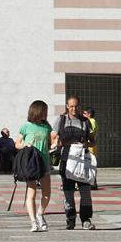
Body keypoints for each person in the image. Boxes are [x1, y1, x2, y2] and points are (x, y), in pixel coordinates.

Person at [52, 95, 96, 230]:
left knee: (85, 192)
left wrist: (85, 144)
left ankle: (86, 220)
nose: (74, 108)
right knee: (68, 192)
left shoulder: (85, 122)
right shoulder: (61, 120)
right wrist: (57, 143)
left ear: (79, 106)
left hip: (82, 160)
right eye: (71, 106)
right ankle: (70, 219)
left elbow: (93, 141)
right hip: (66, 160)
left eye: (76, 106)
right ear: (67, 106)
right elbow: (53, 138)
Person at [14, 100, 53, 232]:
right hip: (31, 163)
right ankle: (33, 222)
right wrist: (25, 144)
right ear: (36, 111)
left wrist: (55, 145)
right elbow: (17, 143)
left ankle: (40, 214)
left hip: (44, 163)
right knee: (32, 192)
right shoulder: (26, 126)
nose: (46, 114)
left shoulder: (47, 127)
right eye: (44, 111)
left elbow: (51, 143)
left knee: (47, 194)